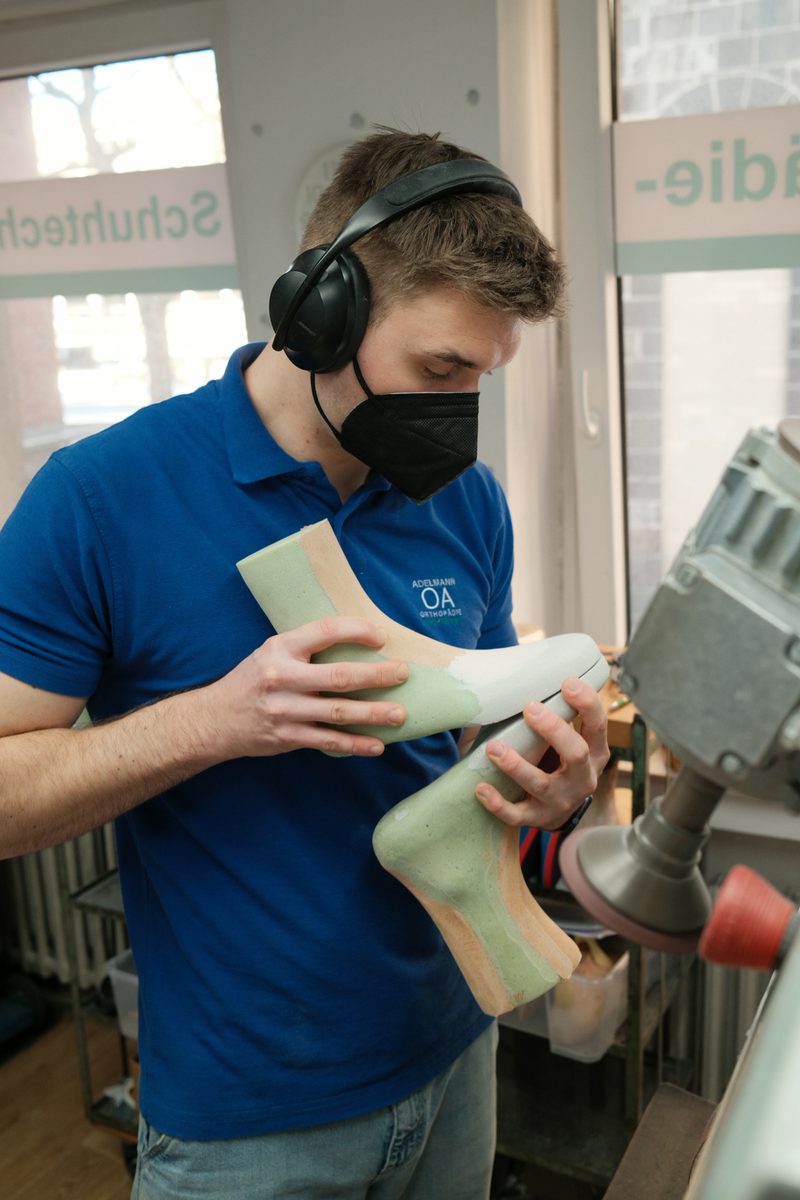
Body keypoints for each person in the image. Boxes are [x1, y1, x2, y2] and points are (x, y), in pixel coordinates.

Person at [0, 129, 609, 1199]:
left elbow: (462, 748)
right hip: (247, 1118)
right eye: (438, 368)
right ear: (317, 312)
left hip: (452, 1045)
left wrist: (546, 784)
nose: (457, 407)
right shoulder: (100, 498)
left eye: (480, 374)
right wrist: (218, 720)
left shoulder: (462, 500)